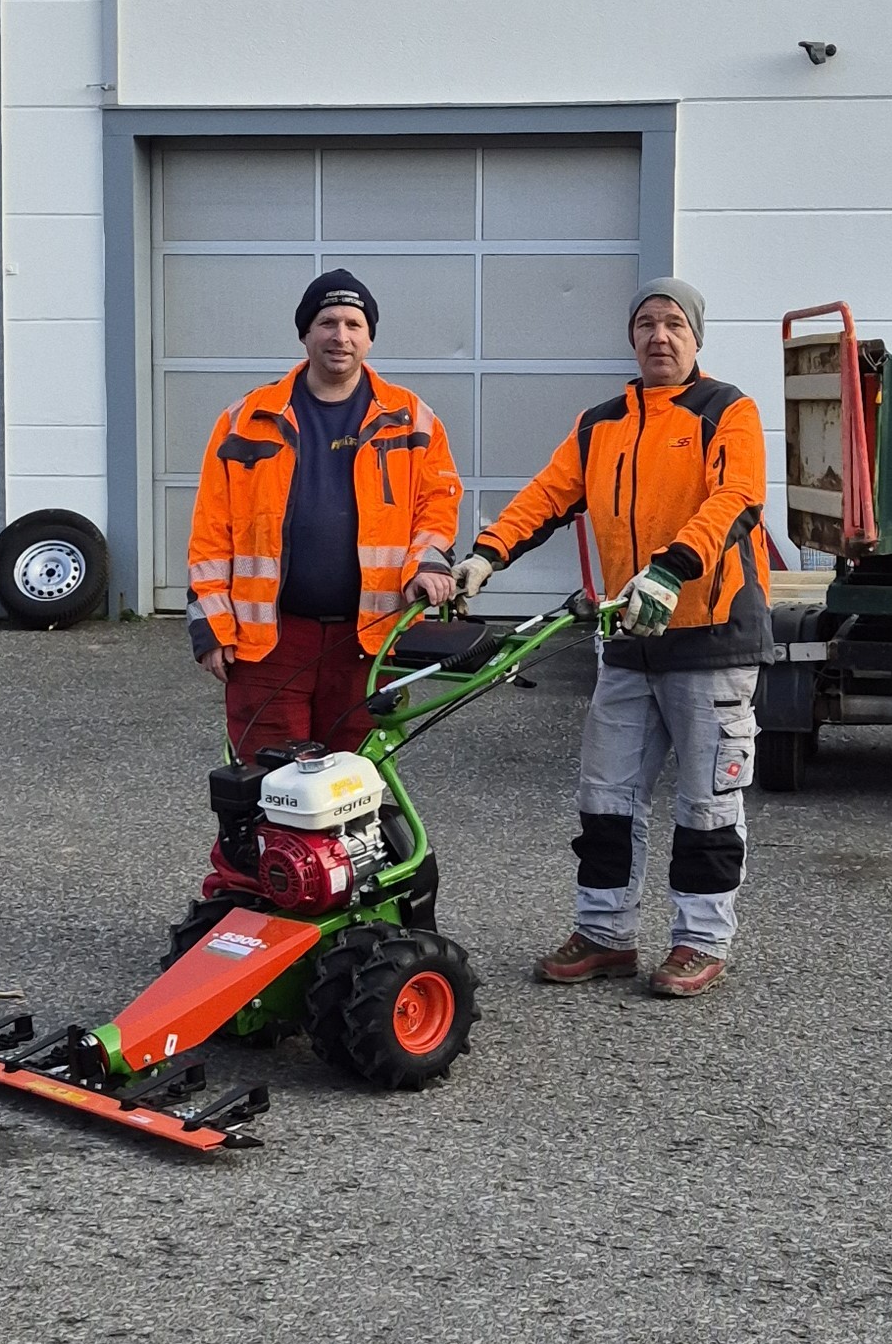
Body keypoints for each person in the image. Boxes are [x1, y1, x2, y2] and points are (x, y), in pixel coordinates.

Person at [454, 276, 769, 1000]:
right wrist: (485, 554)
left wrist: (670, 569)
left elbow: (736, 499)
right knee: (605, 796)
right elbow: (548, 494)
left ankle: (699, 939)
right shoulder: (602, 421)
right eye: (646, 324)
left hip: (710, 638)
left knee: (706, 804)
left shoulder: (727, 411)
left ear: (696, 337)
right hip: (628, 638)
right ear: (631, 337)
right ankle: (603, 933)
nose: (659, 336)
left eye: (673, 324)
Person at [186, 268, 461, 777]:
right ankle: (259, 862)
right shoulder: (245, 419)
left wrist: (428, 563)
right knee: (267, 788)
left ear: (370, 337)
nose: (341, 336)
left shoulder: (412, 418)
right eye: (328, 322)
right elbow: (210, 530)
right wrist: (211, 627)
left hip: (368, 639)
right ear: (305, 333)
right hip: (269, 641)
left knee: (354, 787)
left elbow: (438, 502)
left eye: (354, 324)